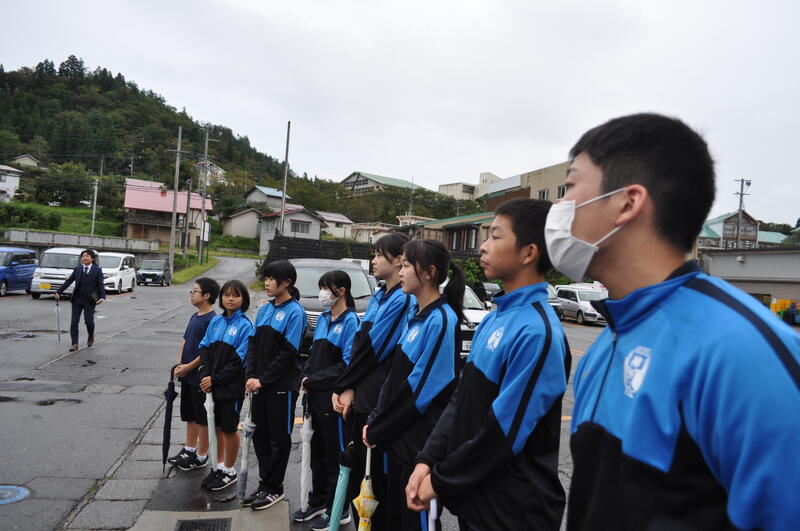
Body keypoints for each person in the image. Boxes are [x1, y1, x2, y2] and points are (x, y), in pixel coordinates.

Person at [555, 113, 800, 531]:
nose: (560, 208)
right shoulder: (608, 342)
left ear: (627, 202)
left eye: (571, 186)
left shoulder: (743, 350)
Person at [406, 198, 571, 530]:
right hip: (476, 500)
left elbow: (502, 434)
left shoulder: (538, 332)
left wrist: (439, 480)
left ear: (529, 253)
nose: (483, 246)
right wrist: (427, 459)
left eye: (495, 236)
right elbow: (460, 401)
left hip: (513, 513)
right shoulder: (495, 318)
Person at [363, 239, 463, 530]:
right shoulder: (415, 315)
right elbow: (393, 378)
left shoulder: (442, 320)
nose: (400, 271)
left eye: (406, 265)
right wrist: (375, 419)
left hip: (417, 447)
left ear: (429, 272)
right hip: (396, 441)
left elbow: (420, 391)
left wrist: (381, 427)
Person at [330, 233, 414, 529]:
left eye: (379, 254)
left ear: (399, 259)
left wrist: (344, 385)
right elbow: (360, 343)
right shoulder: (379, 296)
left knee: (374, 479)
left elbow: (373, 350)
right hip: (361, 393)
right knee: (358, 475)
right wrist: (348, 385)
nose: (373, 260)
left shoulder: (402, 298)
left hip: (375, 399)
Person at [242, 260, 306, 511]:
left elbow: (288, 353)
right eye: (265, 278)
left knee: (278, 438)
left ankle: (275, 488)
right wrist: (250, 375)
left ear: (287, 282)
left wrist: (263, 379)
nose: (266, 283)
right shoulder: (265, 309)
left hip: (281, 386)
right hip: (259, 384)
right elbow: (253, 345)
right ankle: (265, 484)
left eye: (271, 279)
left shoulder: (295, 312)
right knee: (260, 435)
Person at [300, 271, 360, 531]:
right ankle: (319, 502)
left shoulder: (351, 322)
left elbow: (346, 364)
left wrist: (313, 380)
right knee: (318, 457)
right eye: (322, 287)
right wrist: (305, 376)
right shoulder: (324, 319)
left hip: (333, 400)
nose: (322, 293)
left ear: (341, 291)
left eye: (326, 288)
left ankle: (338, 509)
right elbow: (313, 353)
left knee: (335, 458)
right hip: (314, 398)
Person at [197, 279, 254, 491]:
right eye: (227, 294)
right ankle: (219, 466)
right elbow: (204, 347)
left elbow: (240, 360)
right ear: (221, 298)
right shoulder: (216, 322)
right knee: (217, 427)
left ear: (243, 299)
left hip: (231, 387)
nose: (231, 299)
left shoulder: (246, 325)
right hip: (212, 384)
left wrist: (216, 378)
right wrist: (205, 374)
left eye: (236, 295)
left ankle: (230, 470)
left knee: (230, 429)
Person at [168, 277, 220, 471]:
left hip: (199, 377)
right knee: (189, 415)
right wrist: (180, 365)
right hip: (187, 376)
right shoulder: (195, 316)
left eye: (195, 291)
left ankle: (201, 455)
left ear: (206, 295)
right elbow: (185, 341)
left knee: (202, 418)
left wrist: (189, 367)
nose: (191, 294)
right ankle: (189, 449)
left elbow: (207, 352)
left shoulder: (212, 320)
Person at [54, 249, 105, 352]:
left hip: (90, 300)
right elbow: (69, 281)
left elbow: (100, 284)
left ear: (92, 258)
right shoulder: (77, 269)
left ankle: (91, 336)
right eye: (83, 256)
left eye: (87, 256)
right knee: (74, 322)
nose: (85, 258)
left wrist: (102, 297)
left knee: (89, 321)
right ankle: (74, 343)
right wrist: (59, 292)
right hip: (77, 299)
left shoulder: (97, 270)